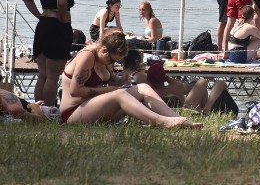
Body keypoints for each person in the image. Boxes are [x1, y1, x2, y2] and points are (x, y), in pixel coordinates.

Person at [59, 31, 200, 128]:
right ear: (103, 50)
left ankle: (177, 119)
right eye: (112, 59)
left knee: (143, 88)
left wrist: (118, 81)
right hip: (73, 113)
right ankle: (162, 122)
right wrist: (108, 90)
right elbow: (75, 90)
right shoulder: (87, 56)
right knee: (119, 94)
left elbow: (106, 81)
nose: (112, 63)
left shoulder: (105, 59)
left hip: (97, 110)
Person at [21, 0, 75, 104]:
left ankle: (38, 109)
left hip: (43, 27)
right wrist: (63, 18)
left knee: (42, 74)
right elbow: (62, 1)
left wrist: (40, 16)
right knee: (53, 76)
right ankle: (49, 110)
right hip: (57, 29)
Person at [123, 50, 233, 113]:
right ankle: (207, 109)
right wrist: (170, 79)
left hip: (172, 107)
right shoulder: (175, 86)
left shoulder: (148, 91)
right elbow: (188, 87)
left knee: (196, 82)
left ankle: (206, 108)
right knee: (203, 82)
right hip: (187, 108)